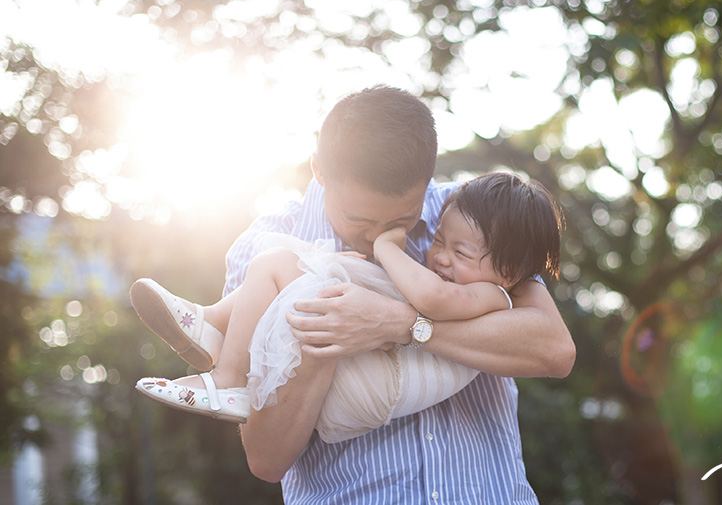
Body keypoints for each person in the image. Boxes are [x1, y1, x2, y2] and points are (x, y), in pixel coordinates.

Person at [138, 86, 575, 503]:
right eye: (359, 219)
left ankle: (213, 327)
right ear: (319, 171)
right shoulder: (269, 242)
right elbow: (266, 458)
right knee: (295, 274)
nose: (379, 235)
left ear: (428, 179)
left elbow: (553, 350)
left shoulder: (471, 224)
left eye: (402, 219)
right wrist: (323, 331)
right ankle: (213, 329)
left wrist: (398, 324)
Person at [133, 172, 564, 445]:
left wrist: (386, 249)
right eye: (437, 242)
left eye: (461, 252)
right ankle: (211, 325)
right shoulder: (481, 271)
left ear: (509, 271)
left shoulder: (494, 296)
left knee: (285, 265)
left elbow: (430, 299)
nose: (440, 258)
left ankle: (227, 371)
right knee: (284, 259)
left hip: (373, 389)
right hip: (345, 403)